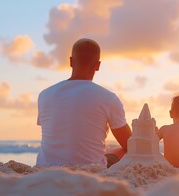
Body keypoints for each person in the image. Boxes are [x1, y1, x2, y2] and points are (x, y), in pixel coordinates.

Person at [36, 38, 131, 168]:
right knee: (124, 150)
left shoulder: (44, 95)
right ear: (98, 65)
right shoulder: (108, 98)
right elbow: (130, 144)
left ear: (71, 62)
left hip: (44, 169)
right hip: (91, 171)